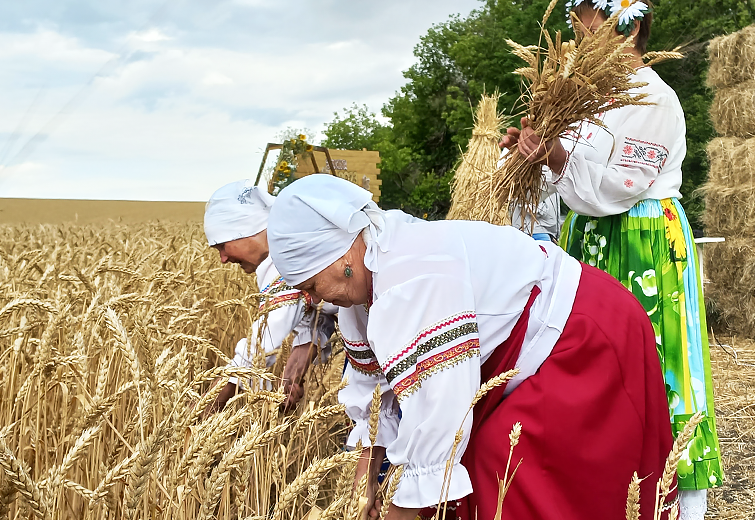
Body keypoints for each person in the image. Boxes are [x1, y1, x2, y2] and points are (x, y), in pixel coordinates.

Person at [266, 174, 674, 520]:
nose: (314, 301)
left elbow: (440, 415)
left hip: (581, 333)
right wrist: (366, 477)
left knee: (505, 471)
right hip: (535, 350)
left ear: (339, 259)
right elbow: (375, 396)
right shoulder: (361, 289)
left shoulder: (409, 275)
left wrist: (400, 511)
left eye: (310, 286)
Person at [500, 1, 722, 516]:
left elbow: (623, 186)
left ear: (632, 25)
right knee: (591, 371)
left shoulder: (653, 97)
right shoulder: (589, 98)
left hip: (643, 241)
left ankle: (681, 506)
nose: (576, 35)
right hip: (590, 240)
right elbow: (574, 183)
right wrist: (536, 151)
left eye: (586, 23)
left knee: (663, 371)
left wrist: (556, 156)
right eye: (573, 24)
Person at [203, 180, 336, 410]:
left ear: (247, 230)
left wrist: (199, 415)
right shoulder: (292, 241)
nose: (223, 258)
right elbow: (316, 319)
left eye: (223, 245)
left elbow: (258, 348)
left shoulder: (284, 256)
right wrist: (292, 375)